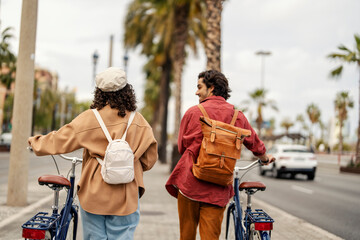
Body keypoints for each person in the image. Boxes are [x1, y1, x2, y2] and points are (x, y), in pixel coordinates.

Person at [28, 67, 158, 240]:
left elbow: (60, 139)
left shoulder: (90, 118)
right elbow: (150, 160)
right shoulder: (139, 121)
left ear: (99, 92)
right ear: (127, 90)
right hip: (127, 193)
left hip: (94, 193)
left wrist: (35, 143)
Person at [165, 70, 275, 240]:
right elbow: (254, 143)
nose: (196, 92)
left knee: (186, 236)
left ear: (212, 88)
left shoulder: (193, 112)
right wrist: (265, 158)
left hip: (189, 184)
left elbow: (181, 147)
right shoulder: (238, 116)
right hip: (217, 188)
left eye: (199, 87)